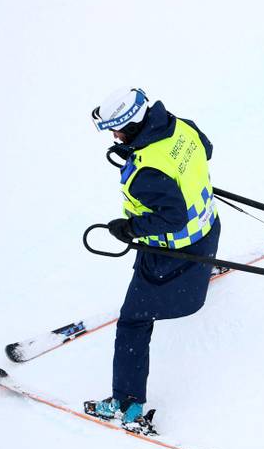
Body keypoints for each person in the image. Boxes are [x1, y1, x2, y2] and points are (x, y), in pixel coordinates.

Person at [84, 87, 221, 430]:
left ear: (132, 125)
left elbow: (172, 217)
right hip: (208, 231)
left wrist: (130, 228)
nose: (114, 137)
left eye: (117, 130)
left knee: (133, 322)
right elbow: (205, 149)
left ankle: (126, 404)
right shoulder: (179, 125)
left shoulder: (147, 174)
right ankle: (205, 272)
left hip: (173, 257)